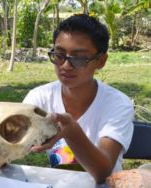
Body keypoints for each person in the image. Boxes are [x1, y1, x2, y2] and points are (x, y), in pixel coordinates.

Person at [23, 14, 134, 183]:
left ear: (101, 61)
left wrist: (72, 132)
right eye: (59, 55)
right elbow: (12, 141)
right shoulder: (40, 97)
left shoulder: (117, 104)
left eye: (80, 58)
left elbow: (103, 173)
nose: (66, 66)